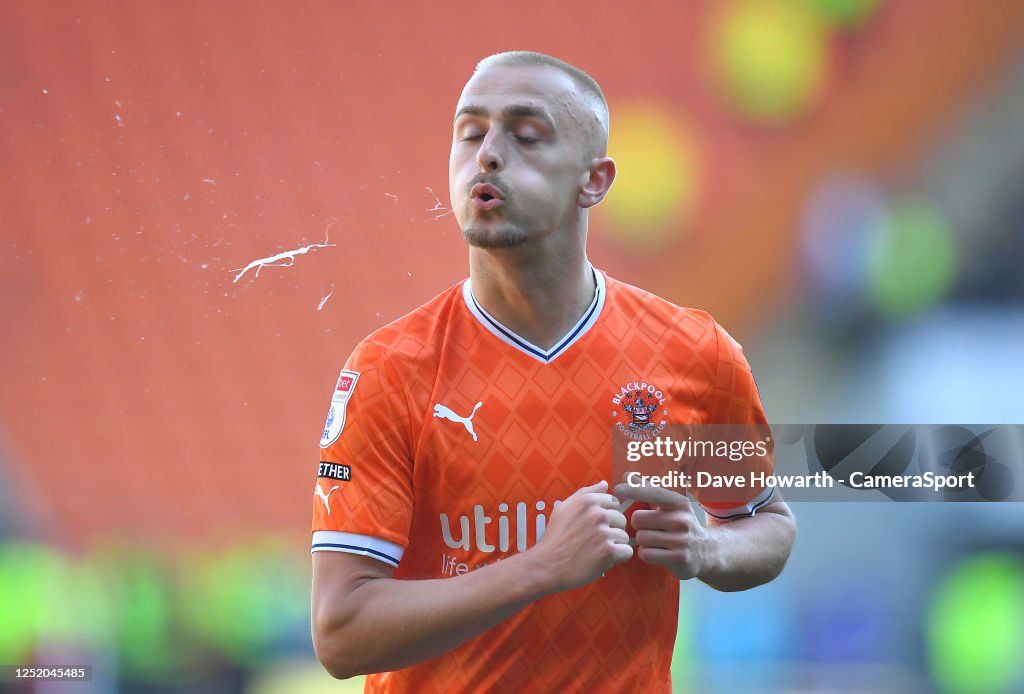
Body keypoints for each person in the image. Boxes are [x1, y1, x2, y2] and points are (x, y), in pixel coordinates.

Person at [310, 51, 796, 692]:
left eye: (527, 135)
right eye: (470, 133)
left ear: (594, 181)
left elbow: (766, 522)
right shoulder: (391, 372)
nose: (488, 154)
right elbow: (341, 632)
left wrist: (707, 549)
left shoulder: (692, 354)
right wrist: (540, 567)